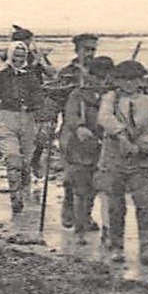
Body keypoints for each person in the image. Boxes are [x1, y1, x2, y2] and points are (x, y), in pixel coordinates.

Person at [95, 60, 148, 264]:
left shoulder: (147, 102)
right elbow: (105, 118)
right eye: (124, 80)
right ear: (117, 81)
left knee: (144, 202)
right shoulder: (111, 98)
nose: (129, 84)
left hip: (139, 160)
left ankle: (147, 246)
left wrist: (140, 146)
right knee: (116, 204)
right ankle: (116, 246)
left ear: (141, 80)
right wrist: (122, 137)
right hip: (113, 157)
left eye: (133, 80)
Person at [0, 30, 52, 214]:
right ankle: (15, 198)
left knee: (26, 161)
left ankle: (24, 189)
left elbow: (38, 98)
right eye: (16, 56)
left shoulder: (31, 77)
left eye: (22, 56)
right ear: (10, 56)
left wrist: (43, 118)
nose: (19, 59)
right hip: (6, 118)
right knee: (12, 158)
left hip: (27, 120)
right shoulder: (1, 77)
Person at [61, 55, 113, 242]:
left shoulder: (112, 95)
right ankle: (80, 227)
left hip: (102, 147)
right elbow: (70, 115)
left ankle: (86, 221)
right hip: (80, 147)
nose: (102, 80)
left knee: (95, 188)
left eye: (105, 76)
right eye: (98, 76)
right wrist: (78, 127)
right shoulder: (78, 94)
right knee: (81, 188)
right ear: (90, 75)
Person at [52, 33, 99, 228]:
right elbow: (55, 99)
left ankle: (86, 215)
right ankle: (69, 208)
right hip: (70, 130)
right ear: (77, 50)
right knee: (73, 174)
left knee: (94, 175)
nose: (90, 53)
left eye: (93, 49)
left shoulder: (100, 71)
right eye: (86, 49)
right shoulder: (67, 73)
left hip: (95, 130)